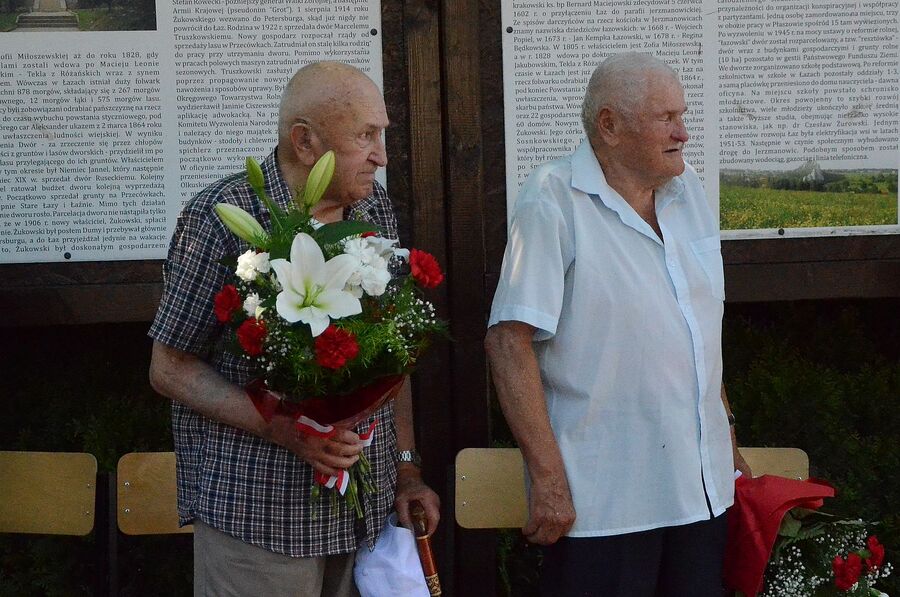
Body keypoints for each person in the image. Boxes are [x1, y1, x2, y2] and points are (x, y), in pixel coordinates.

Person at [148, 61, 439, 597]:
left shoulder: (373, 209)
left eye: (383, 134)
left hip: (360, 522)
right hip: (260, 522)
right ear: (304, 142)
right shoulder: (222, 218)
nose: (382, 154)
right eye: (365, 135)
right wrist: (282, 427)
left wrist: (406, 469)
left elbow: (395, 360)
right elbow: (169, 369)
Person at [484, 52, 751, 596]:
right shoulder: (553, 196)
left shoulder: (689, 191)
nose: (683, 132)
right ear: (609, 126)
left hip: (702, 492)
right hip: (606, 502)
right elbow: (508, 341)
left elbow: (695, 332)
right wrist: (549, 479)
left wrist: (730, 443)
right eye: (665, 118)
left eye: (682, 114)